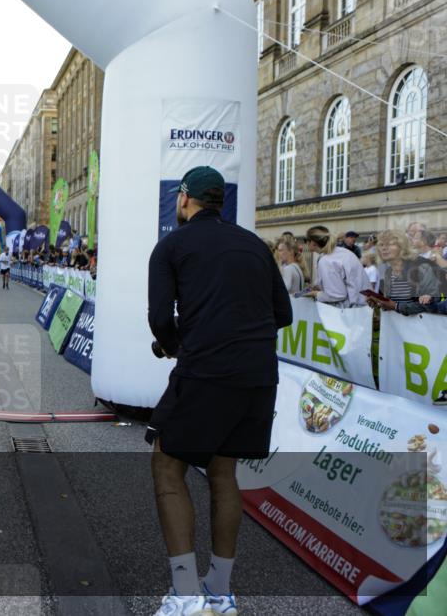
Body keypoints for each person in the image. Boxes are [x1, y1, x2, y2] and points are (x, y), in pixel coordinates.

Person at [147, 166, 292, 616]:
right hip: (258, 375)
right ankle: (221, 593)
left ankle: (187, 594)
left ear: (186, 199)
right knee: (223, 473)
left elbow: (158, 318)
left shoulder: (171, 245)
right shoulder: (254, 245)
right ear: (220, 201)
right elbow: (283, 314)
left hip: (208, 369)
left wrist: (171, 346)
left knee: (167, 465)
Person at [366, 230, 441, 316]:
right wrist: (378, 301)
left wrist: (396, 306)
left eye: (390, 244)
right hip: (397, 327)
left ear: (402, 247)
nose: (384, 248)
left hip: (421, 327)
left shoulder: (421, 267)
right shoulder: (389, 272)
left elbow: (431, 304)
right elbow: (390, 303)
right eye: (381, 245)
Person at [302, 225, 369, 308]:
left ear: (313, 243)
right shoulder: (341, 253)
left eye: (306, 241)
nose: (305, 244)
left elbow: (337, 295)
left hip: (348, 311)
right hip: (360, 308)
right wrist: (320, 287)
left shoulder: (326, 260)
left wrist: (315, 294)